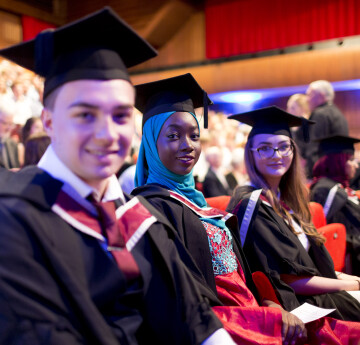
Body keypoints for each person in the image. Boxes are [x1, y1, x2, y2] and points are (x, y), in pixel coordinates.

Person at [0, 8, 229, 345]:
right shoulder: (14, 218)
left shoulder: (135, 218)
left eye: (120, 115)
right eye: (85, 114)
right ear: (47, 121)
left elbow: (193, 316)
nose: (107, 134)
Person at [132, 74, 360, 344]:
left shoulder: (199, 203)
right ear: (149, 142)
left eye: (194, 136)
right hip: (218, 325)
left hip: (254, 310)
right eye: (172, 135)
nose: (188, 145)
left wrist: (269, 302)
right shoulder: (149, 210)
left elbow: (245, 274)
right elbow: (181, 302)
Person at [227, 106, 360, 324]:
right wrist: (350, 284)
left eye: (283, 147)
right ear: (250, 153)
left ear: (293, 150)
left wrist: (347, 278)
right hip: (298, 306)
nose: (276, 155)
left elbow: (309, 267)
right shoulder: (252, 204)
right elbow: (288, 280)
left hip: (317, 294)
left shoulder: (286, 200)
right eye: (265, 148)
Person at [310, 135, 360, 276]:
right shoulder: (325, 190)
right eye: (351, 160)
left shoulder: (341, 188)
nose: (356, 165)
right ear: (337, 162)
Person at [304, 80, 349, 177]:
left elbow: (314, 149)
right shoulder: (338, 113)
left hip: (324, 175)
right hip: (339, 172)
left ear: (321, 95)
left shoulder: (320, 114)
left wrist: (313, 176)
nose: (307, 100)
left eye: (309, 95)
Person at [0, 102, 20, 169]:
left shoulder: (13, 144)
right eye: (5, 123)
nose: (9, 128)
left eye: (11, 124)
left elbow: (16, 167)